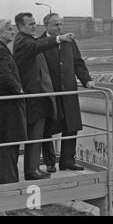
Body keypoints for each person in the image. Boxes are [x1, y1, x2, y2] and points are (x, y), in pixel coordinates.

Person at [13, 12, 75, 180]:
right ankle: (31, 171)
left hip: (36, 96)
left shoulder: (27, 40)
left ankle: (33, 168)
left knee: (37, 134)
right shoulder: (23, 42)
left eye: (34, 23)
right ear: (20, 27)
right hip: (33, 97)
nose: (34, 26)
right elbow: (37, 47)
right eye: (30, 24)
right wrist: (59, 39)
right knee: (35, 134)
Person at [40, 13, 95, 172]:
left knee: (71, 125)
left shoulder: (69, 42)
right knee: (48, 128)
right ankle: (50, 162)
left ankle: (67, 161)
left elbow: (78, 63)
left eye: (61, 24)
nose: (60, 27)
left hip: (69, 91)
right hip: (50, 92)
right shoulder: (41, 43)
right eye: (56, 25)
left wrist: (86, 80)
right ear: (47, 26)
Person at [0, 19, 27, 185]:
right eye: (9, 29)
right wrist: (19, 91)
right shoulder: (0, 51)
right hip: (7, 107)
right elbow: (5, 76)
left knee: (1, 147)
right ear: (0, 32)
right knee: (9, 146)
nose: (13, 32)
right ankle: (8, 186)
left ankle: (2, 183)